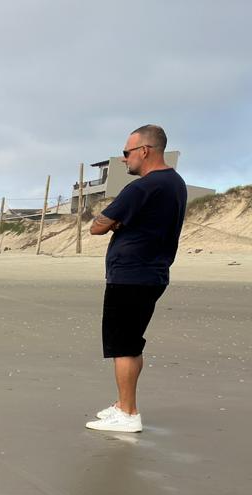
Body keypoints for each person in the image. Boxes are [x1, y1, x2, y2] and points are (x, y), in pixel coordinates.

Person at [85, 124, 187, 434]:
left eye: (126, 152)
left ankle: (128, 413)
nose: (123, 159)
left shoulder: (142, 187)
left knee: (123, 346)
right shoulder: (176, 183)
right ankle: (123, 403)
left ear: (145, 151)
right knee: (132, 343)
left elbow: (97, 226)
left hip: (131, 276)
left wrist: (114, 224)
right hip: (153, 272)